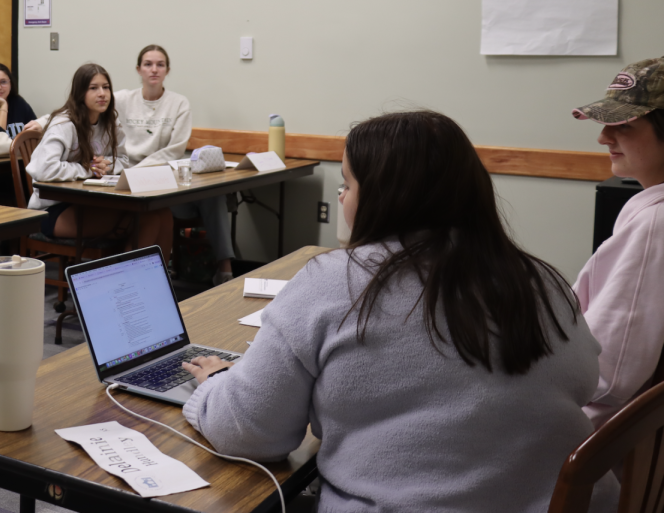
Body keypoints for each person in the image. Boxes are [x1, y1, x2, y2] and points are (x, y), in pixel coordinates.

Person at [181, 111, 616, 512]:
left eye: (348, 185)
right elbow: (584, 380)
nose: (343, 197)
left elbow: (252, 434)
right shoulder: (539, 278)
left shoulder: (333, 281)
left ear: (385, 198)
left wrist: (216, 384)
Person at [571, 56, 664, 428]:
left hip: (610, 449)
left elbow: (610, 376)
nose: (603, 137)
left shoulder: (656, 223)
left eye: (623, 125)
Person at [115, 44, 236, 286]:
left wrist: (139, 171)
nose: (154, 70)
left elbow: (175, 150)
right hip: (128, 184)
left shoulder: (179, 103)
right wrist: (41, 123)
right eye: (148, 64)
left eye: (160, 65)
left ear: (167, 70)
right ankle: (149, 273)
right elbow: (79, 108)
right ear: (138, 69)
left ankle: (225, 268)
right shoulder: (121, 99)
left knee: (214, 194)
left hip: (164, 180)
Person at [27, 63, 172, 254]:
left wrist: (105, 165)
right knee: (149, 219)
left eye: (106, 87)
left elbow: (121, 159)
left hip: (90, 202)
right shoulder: (64, 124)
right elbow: (44, 169)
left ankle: (156, 278)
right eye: (93, 88)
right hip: (52, 210)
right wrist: (89, 169)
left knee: (164, 214)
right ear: (80, 93)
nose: (102, 93)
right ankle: (127, 280)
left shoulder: (110, 120)